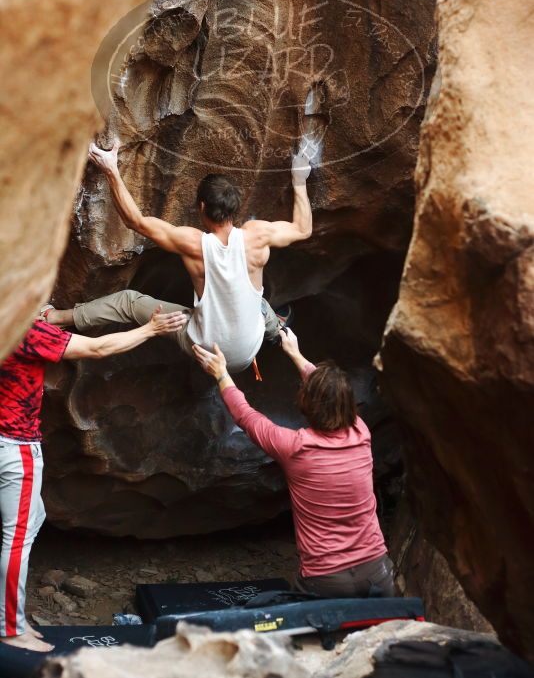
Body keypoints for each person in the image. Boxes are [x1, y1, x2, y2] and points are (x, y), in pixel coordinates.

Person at [0, 308, 185, 652]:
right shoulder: (24, 330)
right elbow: (98, 349)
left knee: (32, 518)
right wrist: (151, 329)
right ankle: (9, 628)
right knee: (17, 539)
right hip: (16, 445)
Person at [45, 140, 313, 374]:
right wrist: (299, 179)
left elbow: (135, 221)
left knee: (128, 302)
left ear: (201, 207)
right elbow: (303, 229)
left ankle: (56, 318)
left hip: (205, 349)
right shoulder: (258, 236)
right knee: (260, 304)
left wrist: (110, 169)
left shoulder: (192, 243)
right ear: (235, 208)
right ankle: (276, 333)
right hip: (245, 351)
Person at [193, 329, 394, 599]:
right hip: (377, 574)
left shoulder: (295, 448)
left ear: (306, 403)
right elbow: (331, 395)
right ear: (349, 405)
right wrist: (296, 354)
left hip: (326, 580)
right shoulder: (361, 433)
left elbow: (246, 416)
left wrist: (221, 374)